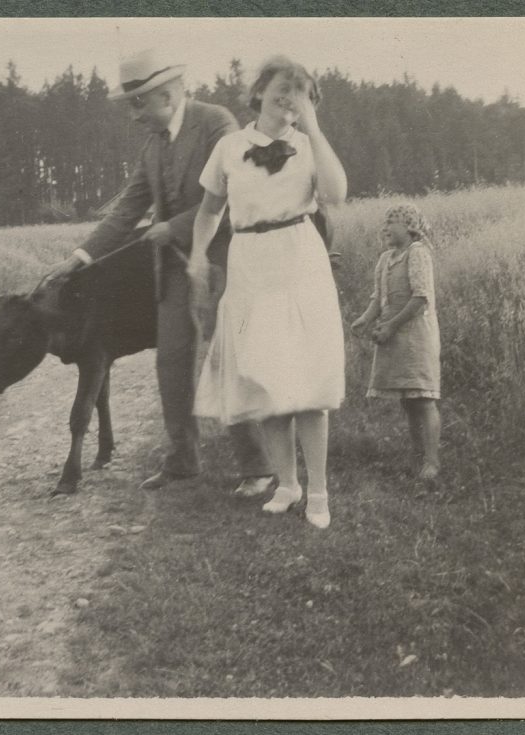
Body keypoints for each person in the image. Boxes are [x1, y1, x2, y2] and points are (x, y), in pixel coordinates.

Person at [43, 49, 273, 496]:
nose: (132, 117)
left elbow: (237, 193)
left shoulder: (215, 123)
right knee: (171, 363)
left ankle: (259, 468)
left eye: (137, 104)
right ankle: (183, 460)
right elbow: (127, 210)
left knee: (225, 359)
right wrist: (78, 258)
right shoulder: (152, 146)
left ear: (166, 96)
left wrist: (176, 226)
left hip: (223, 260)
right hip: (172, 273)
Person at [186, 56, 347, 530]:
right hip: (250, 264)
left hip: (299, 260)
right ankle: (287, 483)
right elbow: (210, 211)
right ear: (259, 92)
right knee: (266, 378)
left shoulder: (310, 144)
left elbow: (336, 194)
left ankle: (317, 490)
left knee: (308, 383)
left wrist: (313, 129)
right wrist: (197, 254)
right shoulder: (230, 147)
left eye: (301, 90)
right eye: (282, 86)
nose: (289, 95)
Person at [350, 203, 442, 483]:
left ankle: (432, 461)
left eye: (393, 223)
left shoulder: (418, 254)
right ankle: (417, 459)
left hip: (416, 335)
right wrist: (365, 319)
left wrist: (390, 325)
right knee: (408, 401)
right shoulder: (385, 259)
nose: (386, 228)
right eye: (386, 223)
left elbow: (420, 298)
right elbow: (378, 298)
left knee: (424, 398)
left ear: (411, 228)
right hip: (394, 335)